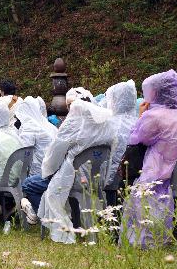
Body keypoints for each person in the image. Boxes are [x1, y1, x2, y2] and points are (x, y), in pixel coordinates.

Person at [125, 70, 177, 248]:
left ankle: (147, 238)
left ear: (155, 93)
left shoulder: (154, 116)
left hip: (164, 174)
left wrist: (141, 115)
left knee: (138, 189)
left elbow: (136, 139)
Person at [20, 100, 117, 243]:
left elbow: (54, 156)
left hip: (70, 181)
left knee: (29, 184)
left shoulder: (73, 125)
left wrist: (48, 172)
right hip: (95, 180)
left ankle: (51, 221)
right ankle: (75, 221)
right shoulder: (106, 129)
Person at [104, 80, 139, 187]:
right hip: (136, 180)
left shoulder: (107, 125)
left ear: (113, 100)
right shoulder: (140, 123)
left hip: (111, 184)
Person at [14, 96, 56, 177]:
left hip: (38, 172)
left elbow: (22, 151)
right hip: (51, 168)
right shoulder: (46, 124)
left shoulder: (30, 127)